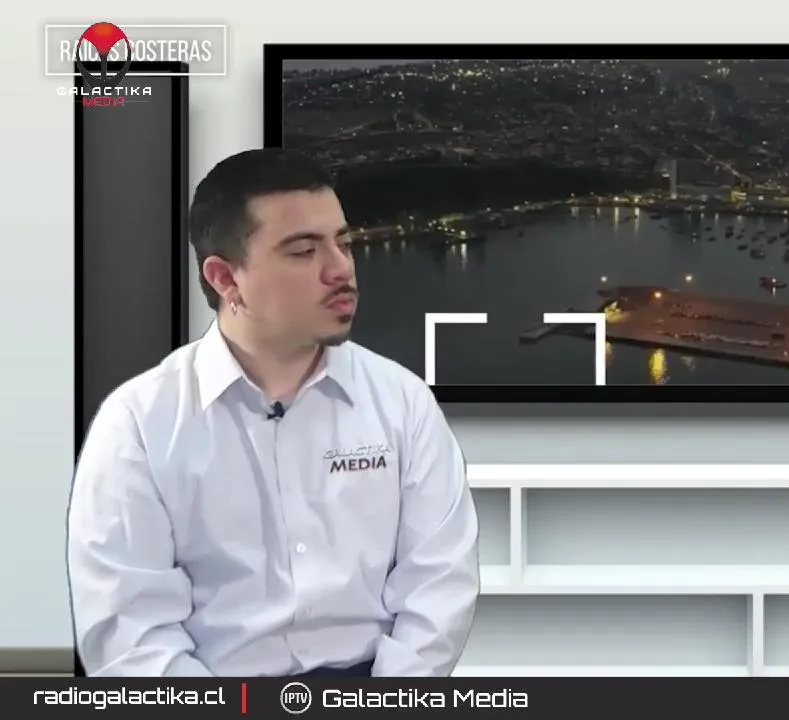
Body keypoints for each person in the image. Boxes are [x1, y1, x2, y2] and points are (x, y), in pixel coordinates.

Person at [67, 148, 480, 677]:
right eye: (304, 251)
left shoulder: (403, 401)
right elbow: (129, 633)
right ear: (225, 278)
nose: (341, 269)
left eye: (343, 243)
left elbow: (439, 587)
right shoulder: (139, 425)